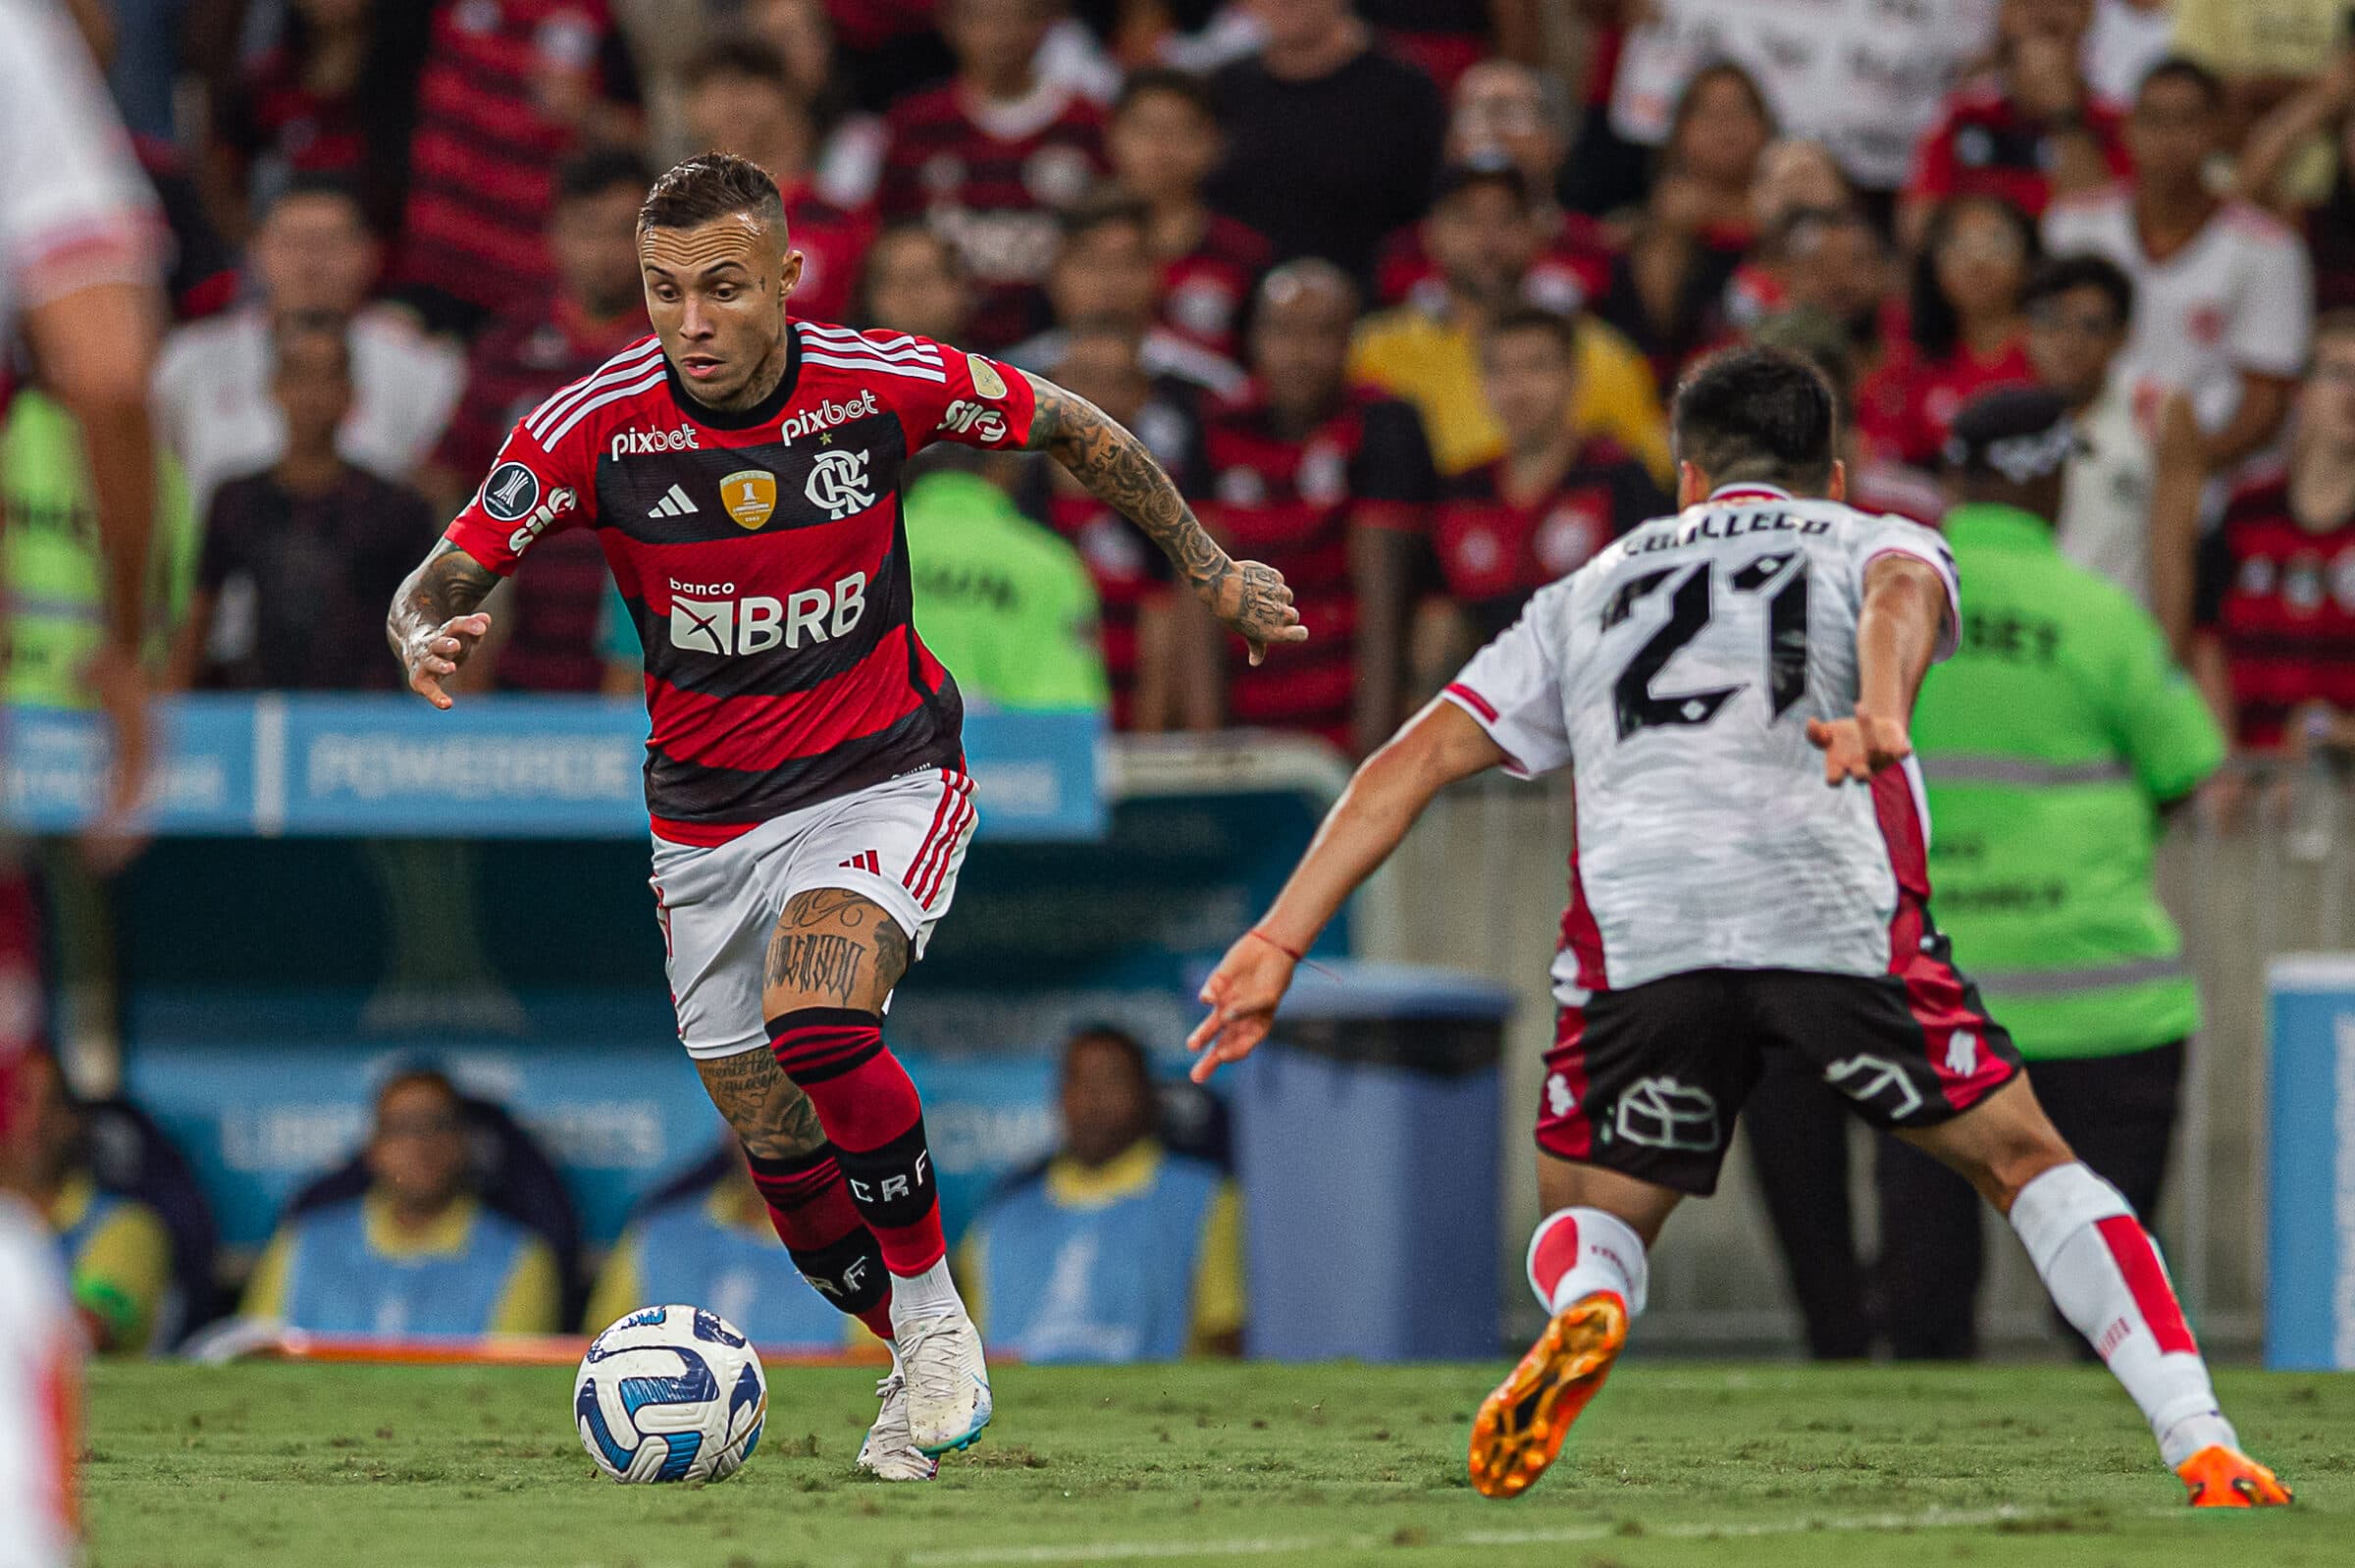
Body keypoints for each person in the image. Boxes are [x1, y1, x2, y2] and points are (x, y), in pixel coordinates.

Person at [1183, 345, 2290, 1510]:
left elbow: (1409, 764)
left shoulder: (1583, 590)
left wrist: (1279, 940)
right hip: (1828, 912)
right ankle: (2201, 1436)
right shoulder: (1878, 538)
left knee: (1593, 1210)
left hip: (1643, 930)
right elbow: (1901, 604)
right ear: (1835, 471)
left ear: (1688, 476)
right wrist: (1878, 706)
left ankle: (1593, 1301)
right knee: (2026, 1162)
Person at [386, 152, 1303, 1472]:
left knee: (819, 1019)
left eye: (721, 288)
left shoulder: (884, 381)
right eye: (662, 292)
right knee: (776, 1148)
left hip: (881, 775)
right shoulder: (593, 425)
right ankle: (903, 1357)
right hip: (703, 826)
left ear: (784, 279)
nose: (690, 322)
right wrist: (424, 633)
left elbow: (1075, 424)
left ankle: (935, 1317)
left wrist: (1211, 571)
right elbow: (444, 568)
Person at [1887, 387, 2226, 1360]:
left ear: (1957, 477)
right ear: (2044, 476)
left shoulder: (1884, 611)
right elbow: (2186, 766)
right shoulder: (2096, 614)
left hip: (1927, 1009)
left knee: (1925, 1313)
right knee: (2111, 1315)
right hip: (2105, 1005)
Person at [418, 149, 653, 695]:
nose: (606, 252)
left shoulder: (679, 352)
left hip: (648, 669)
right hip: (511, 670)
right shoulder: (506, 349)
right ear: (555, 236)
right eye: (587, 230)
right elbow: (450, 482)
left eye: (625, 231)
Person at [1199, 261, 1436, 754]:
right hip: (1246, 734)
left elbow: (1382, 598)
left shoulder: (1385, 421)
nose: (1300, 354)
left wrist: (1369, 757)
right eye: (1283, 332)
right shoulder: (1215, 427)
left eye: (1322, 333)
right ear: (1254, 338)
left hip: (1344, 731)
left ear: (1351, 341)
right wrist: (1210, 753)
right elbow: (1200, 592)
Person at [2045, 58, 2311, 476]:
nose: (2169, 138)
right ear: (2127, 129)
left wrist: (2182, 475)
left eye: (2188, 121)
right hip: (2083, 459)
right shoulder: (2076, 225)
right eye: (2154, 120)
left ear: (2219, 131)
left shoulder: (2270, 247)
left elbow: (2266, 402)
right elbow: (2041, 352)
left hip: (2216, 470)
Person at [152, 175, 466, 514]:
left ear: (369, 254)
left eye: (330, 243)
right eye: (292, 242)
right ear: (256, 251)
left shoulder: (424, 368)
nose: (310, 262)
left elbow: (441, 497)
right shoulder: (189, 361)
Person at [1350, 163, 1670, 482]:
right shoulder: (1375, 350)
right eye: (1466, 219)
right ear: (1431, 234)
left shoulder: (1598, 353)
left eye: (1508, 219)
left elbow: (1652, 477)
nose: (1488, 240)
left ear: (1538, 233)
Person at [175, 318, 438, 691]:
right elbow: (198, 618)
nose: (312, 395)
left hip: (367, 716)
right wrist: (167, 713)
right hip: (269, 707)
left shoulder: (396, 507)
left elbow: (433, 623)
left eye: (327, 378)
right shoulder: (238, 500)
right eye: (298, 376)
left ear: (350, 394)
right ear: (275, 388)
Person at [960, 1026, 1243, 1362]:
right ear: (1060, 1096)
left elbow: (1228, 1337)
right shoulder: (1002, 1214)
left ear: (1148, 1096)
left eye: (1113, 1081)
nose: (1094, 1099)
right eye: (1080, 1081)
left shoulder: (1204, 1198)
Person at [241, 1068, 562, 1336]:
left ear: (463, 1144)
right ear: (372, 1149)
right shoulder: (301, 1245)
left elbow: (510, 1392)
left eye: (437, 1125)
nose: (419, 1146)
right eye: (401, 1128)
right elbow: (251, 1365)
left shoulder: (520, 1258)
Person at [386, 0, 641, 337]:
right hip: (436, 266)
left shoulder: (590, 16)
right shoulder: (437, 12)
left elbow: (636, 135)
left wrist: (585, 111)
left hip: (529, 277)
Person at [1432, 306, 1669, 647]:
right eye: (1499, 371)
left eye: (1536, 368)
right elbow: (1440, 625)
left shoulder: (1620, 479)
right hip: (1493, 691)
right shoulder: (1461, 491)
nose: (1517, 389)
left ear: (1573, 377)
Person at [877, 0, 1108, 350]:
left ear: (1045, 24)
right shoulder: (915, 123)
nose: (1000, 36)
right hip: (939, 350)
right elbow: (890, 230)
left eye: (1015, 18)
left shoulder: (1087, 123)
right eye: (982, 18)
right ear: (950, 25)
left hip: (1057, 348)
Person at [2193, 312, 2355, 757]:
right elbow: (2205, 636)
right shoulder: (2244, 510)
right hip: (2244, 787)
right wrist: (2222, 757)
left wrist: (2336, 733)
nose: (2352, 394)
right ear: (2301, 393)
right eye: (2339, 374)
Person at [1037, 318, 1209, 731]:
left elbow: (1166, 639)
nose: (1095, 401)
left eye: (1116, 383)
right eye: (1082, 380)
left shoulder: (1166, 513)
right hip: (1035, 739)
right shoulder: (1015, 500)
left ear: (1141, 396)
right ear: (1050, 389)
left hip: (1136, 745)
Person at [2023, 253, 2204, 640]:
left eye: (2090, 325)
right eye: (2049, 322)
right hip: (2037, 642)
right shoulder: (2005, 418)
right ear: (2027, 330)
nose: (2066, 342)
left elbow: (2173, 557)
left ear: (2123, 336)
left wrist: (2165, 671)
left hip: (2120, 643)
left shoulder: (2157, 411)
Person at [1204, 0, 1445, 286]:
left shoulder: (1404, 91)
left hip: (1372, 300)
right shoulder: (1224, 90)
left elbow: (1428, 212)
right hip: (1242, 302)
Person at [1376, 60, 1613, 315]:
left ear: (1556, 142)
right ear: (1449, 143)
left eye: (1515, 114)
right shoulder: (1403, 255)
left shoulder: (1597, 249)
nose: (1495, 130)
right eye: (1476, 114)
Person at [677, 34, 872, 327]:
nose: (731, 102)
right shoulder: (672, 221)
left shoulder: (837, 217)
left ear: (786, 97)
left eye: (746, 84)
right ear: (691, 110)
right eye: (712, 89)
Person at [1901, 0, 2129, 243]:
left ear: (2089, 13)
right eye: (2027, 2)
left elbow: (2101, 230)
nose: (2046, 12)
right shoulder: (1961, 114)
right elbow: (1920, 231)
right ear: (2004, 14)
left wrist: (2064, 115)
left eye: (2065, 2)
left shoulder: (2118, 123)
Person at [588, 1152, 860, 1352]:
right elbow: (597, 1352)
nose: (774, 1140)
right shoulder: (653, 1236)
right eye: (756, 1116)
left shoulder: (859, 1250)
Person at [904, 459, 1111, 711]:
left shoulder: (867, 551)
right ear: (1005, 469)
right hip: (1012, 745)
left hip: (883, 746)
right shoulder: (1052, 563)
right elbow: (1073, 709)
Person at [1856, 196, 2040, 469]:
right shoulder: (1908, 369)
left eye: (1997, 242)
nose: (1978, 261)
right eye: (1959, 245)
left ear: (2029, 260)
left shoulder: (2051, 359)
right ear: (1934, 265)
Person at [9, 1053, 172, 1356]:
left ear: (77, 1121)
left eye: (53, 1105)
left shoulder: (125, 1226)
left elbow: (87, 1332)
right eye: (17, 1103)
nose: (35, 1123)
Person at [1005, 192, 1246, 397]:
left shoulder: (1215, 389)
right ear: (1055, 276)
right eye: (1092, 264)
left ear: (1158, 274)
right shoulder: (1003, 384)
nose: (1111, 282)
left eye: (1130, 263)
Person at [1104, 68, 1272, 362]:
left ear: (1215, 143)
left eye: (1180, 130)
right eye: (1145, 128)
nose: (1161, 146)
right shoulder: (1077, 246)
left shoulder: (1245, 251)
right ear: (1112, 136)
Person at [860, 222, 978, 344]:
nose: (913, 295)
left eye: (923, 278)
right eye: (899, 280)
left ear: (957, 287)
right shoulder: (848, 360)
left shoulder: (985, 363)